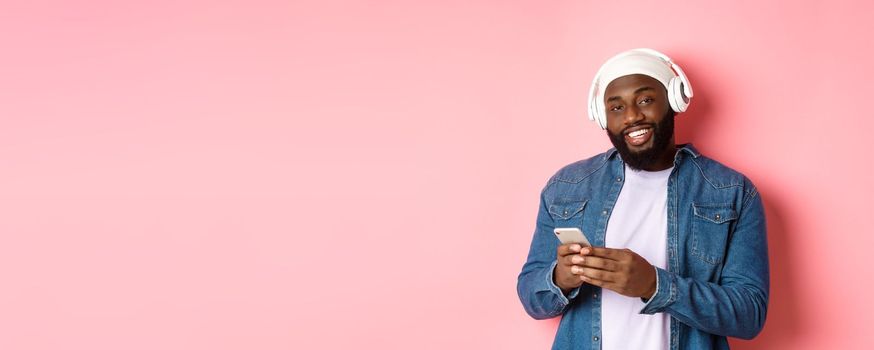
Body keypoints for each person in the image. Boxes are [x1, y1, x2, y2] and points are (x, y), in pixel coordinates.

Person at [516, 48, 769, 350]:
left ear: (674, 101)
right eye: (617, 107)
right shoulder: (567, 187)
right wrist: (560, 278)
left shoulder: (731, 192)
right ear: (602, 117)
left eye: (645, 100)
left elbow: (749, 314)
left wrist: (655, 285)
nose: (633, 116)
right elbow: (532, 298)